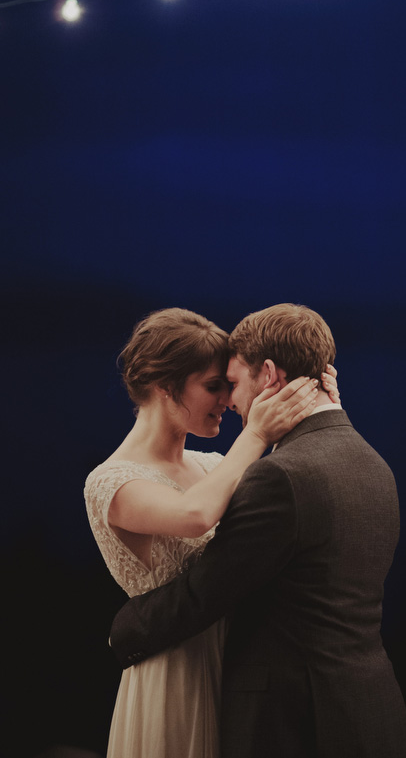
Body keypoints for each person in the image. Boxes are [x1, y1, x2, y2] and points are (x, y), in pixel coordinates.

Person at [110, 303, 406, 758]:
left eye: (232, 384)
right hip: (372, 708)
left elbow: (207, 591)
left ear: (269, 374)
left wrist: (125, 629)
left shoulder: (280, 476)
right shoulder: (373, 464)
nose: (230, 401)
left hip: (296, 722)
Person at [84, 307, 339, 758]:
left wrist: (318, 408)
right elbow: (194, 516)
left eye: (229, 384)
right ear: (166, 386)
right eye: (212, 386)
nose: (227, 399)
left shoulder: (214, 465)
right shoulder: (110, 481)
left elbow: (276, 512)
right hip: (174, 674)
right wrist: (256, 435)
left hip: (241, 669)